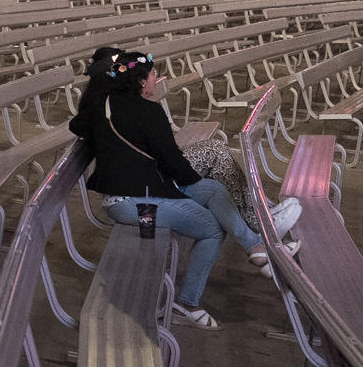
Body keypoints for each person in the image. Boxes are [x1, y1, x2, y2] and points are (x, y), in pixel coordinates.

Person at [67, 50, 301, 328]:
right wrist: (190, 180)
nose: (157, 79)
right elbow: (174, 163)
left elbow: (76, 124)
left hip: (134, 196)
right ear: (142, 82)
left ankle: (255, 247)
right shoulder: (149, 112)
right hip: (138, 211)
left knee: (213, 189)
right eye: (154, 74)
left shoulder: (102, 104)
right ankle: (186, 304)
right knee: (213, 228)